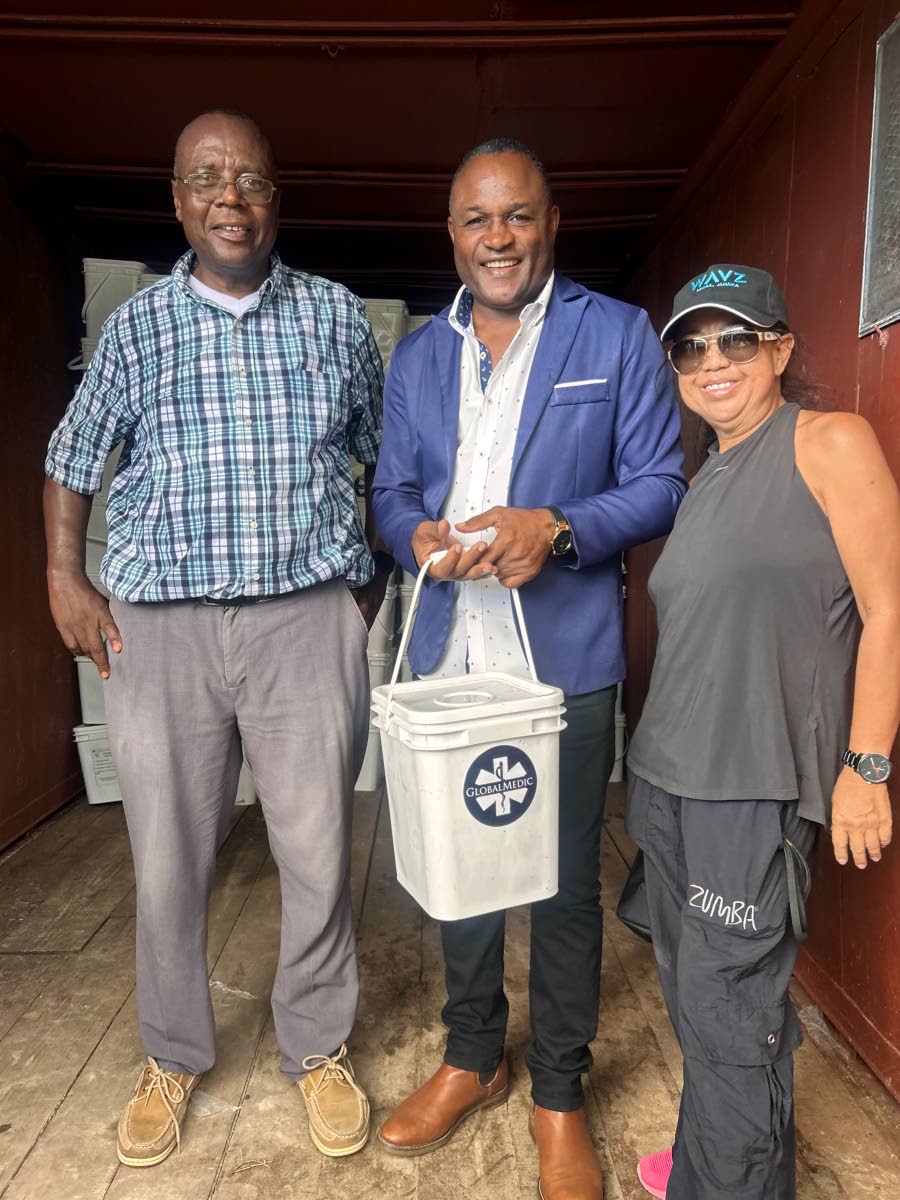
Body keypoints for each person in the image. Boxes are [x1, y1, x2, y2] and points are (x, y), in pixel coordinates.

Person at [43, 109, 390, 1167]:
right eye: (207, 180)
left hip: (303, 619)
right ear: (179, 201)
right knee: (168, 856)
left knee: (321, 847)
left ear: (276, 200)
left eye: (250, 181)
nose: (230, 199)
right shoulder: (137, 329)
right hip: (162, 630)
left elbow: (378, 459)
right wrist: (62, 576)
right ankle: (173, 1052)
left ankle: (318, 1046)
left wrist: (354, 592)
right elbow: (72, 458)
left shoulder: (336, 317)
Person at [372, 137, 686, 1200]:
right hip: (450, 651)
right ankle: (472, 1056)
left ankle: (558, 1092)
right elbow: (390, 492)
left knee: (556, 889)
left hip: (561, 663)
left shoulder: (618, 334)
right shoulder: (418, 356)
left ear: (551, 225)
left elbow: (659, 485)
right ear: (451, 234)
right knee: (458, 873)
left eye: (517, 217)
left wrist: (553, 528)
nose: (497, 238)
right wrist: (412, 533)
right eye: (476, 219)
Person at [625, 264, 900, 1200]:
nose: (714, 361)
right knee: (696, 1002)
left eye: (738, 339)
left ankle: (733, 1181)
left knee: (734, 1014)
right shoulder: (705, 477)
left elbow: (889, 609)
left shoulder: (826, 441)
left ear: (780, 349)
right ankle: (712, 1163)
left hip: (751, 792)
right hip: (665, 781)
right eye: (691, 346)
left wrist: (865, 764)